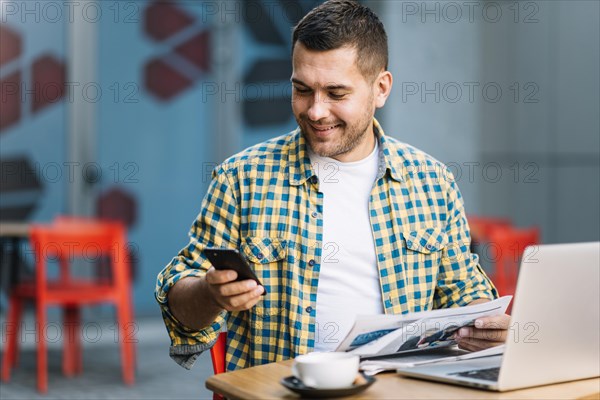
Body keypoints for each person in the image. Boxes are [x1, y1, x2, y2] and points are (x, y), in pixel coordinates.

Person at [155, 0, 510, 371]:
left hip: (398, 391)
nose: (315, 111)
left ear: (381, 88)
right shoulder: (241, 179)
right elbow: (182, 312)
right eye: (302, 89)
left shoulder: (432, 182)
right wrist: (210, 294)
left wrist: (487, 327)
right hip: (279, 393)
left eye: (336, 94)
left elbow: (465, 295)